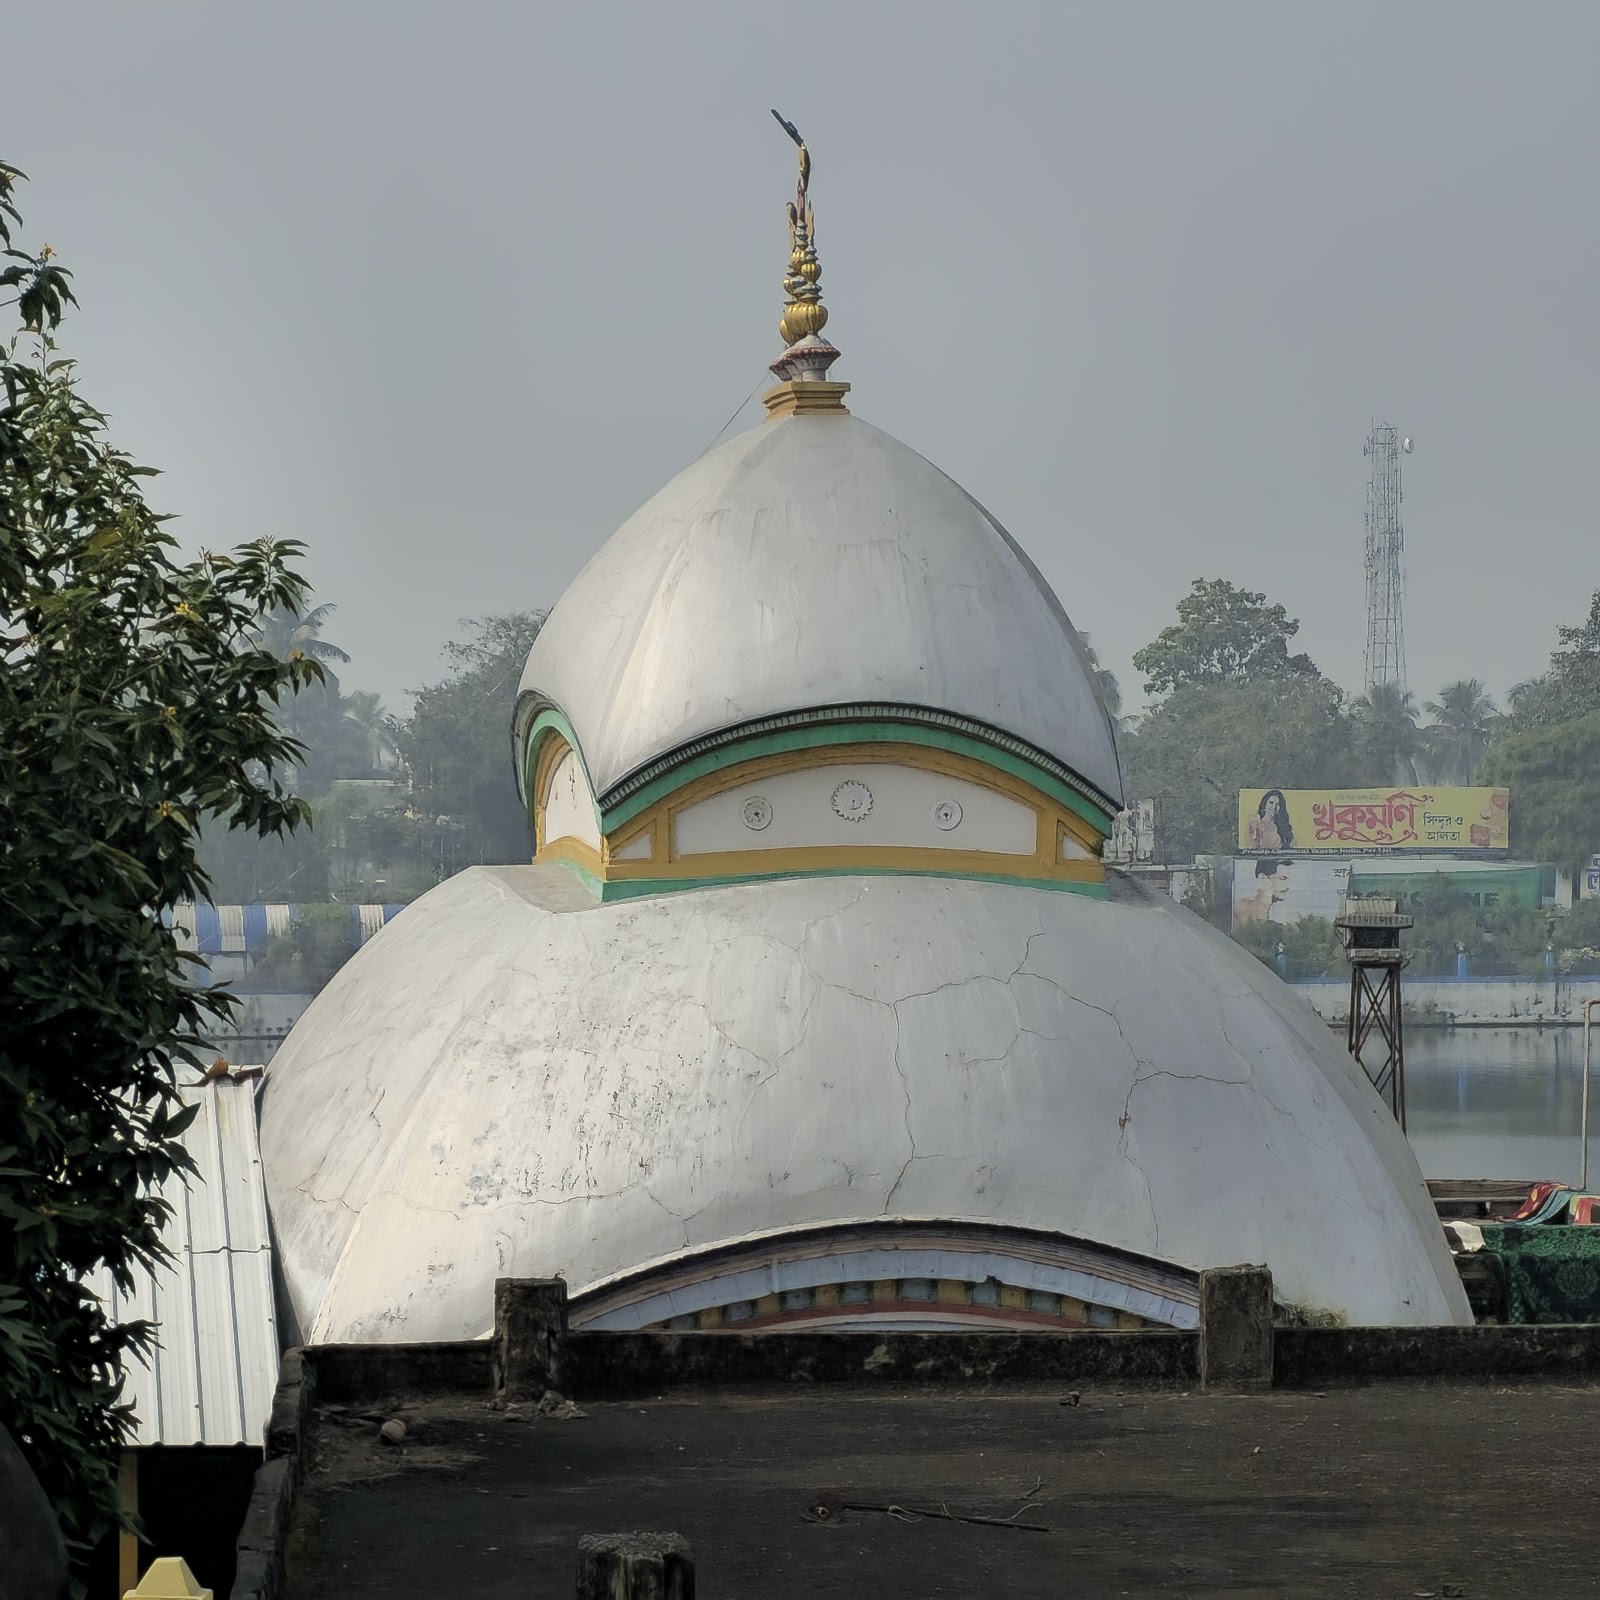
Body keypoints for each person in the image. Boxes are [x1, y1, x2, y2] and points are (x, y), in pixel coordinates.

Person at [1235, 858, 1294, 925]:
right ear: (1263, 878)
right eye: (1283, 878)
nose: (1288, 886)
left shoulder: (1278, 915)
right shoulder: (1240, 910)